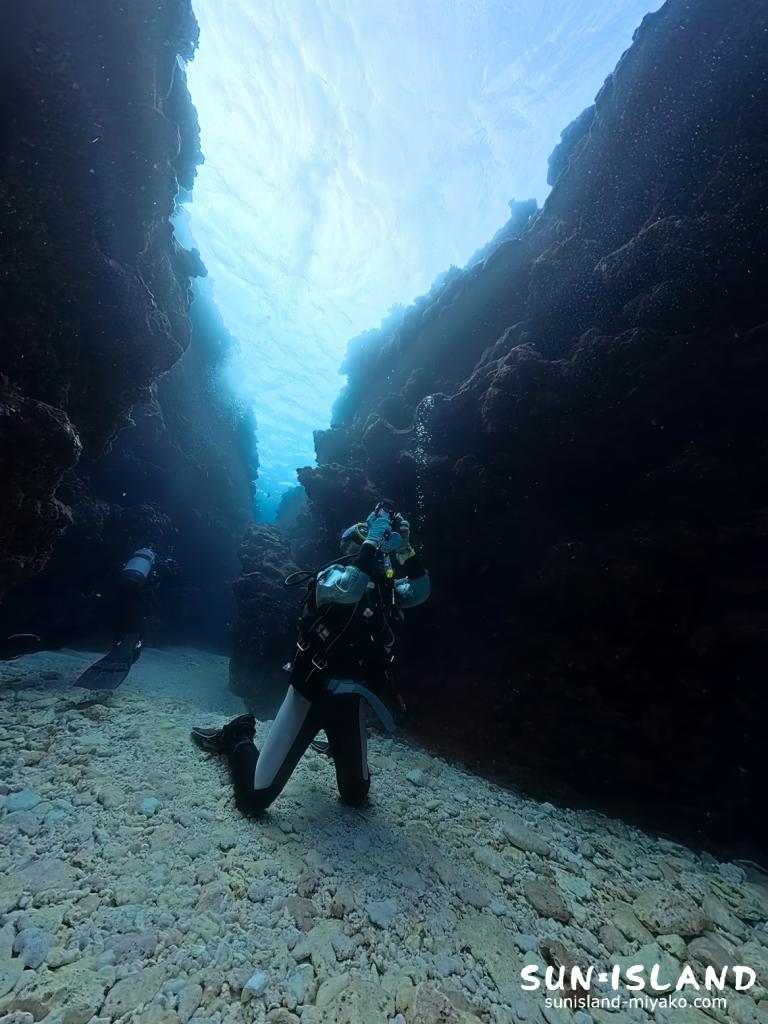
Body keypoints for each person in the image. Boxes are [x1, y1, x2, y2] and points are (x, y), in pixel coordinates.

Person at [191, 503, 431, 815]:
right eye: (365, 537)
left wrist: (407, 549)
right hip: (309, 694)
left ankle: (334, 742)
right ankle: (237, 734)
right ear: (349, 546)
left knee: (356, 795)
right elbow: (350, 588)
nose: (374, 543)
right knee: (254, 798)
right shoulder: (329, 577)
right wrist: (371, 541)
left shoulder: (385, 592)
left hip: (349, 703)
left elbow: (422, 590)